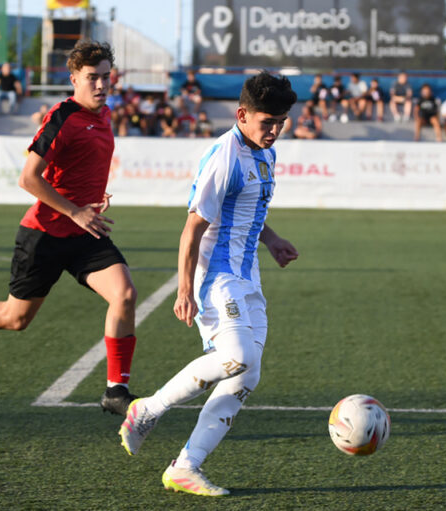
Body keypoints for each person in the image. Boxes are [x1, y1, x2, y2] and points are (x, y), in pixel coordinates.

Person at [0, 40, 140, 417]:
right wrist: (74, 210)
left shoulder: (103, 116)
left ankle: (115, 391)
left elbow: (77, 170)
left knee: (124, 294)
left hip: (84, 232)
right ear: (74, 78)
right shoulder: (62, 117)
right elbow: (28, 178)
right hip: (44, 234)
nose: (102, 85)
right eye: (93, 78)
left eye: (106, 77)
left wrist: (92, 198)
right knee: (16, 318)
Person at [118, 71, 298, 497]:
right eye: (266, 122)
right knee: (235, 357)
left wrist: (271, 241)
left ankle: (185, 466)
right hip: (216, 276)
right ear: (242, 114)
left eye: (281, 122)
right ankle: (147, 409)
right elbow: (192, 229)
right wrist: (185, 290)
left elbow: (247, 205)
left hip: (247, 275)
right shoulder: (224, 155)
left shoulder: (264, 153)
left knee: (246, 375)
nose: (274, 131)